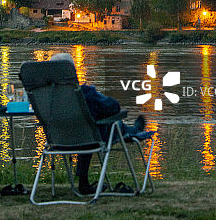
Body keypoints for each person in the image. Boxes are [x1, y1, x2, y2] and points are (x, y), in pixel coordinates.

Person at [50, 53, 146, 194]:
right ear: (73, 71)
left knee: (86, 127)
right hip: (91, 140)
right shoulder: (85, 93)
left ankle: (84, 183)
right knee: (114, 124)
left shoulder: (47, 99)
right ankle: (132, 131)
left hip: (57, 140)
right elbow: (114, 107)